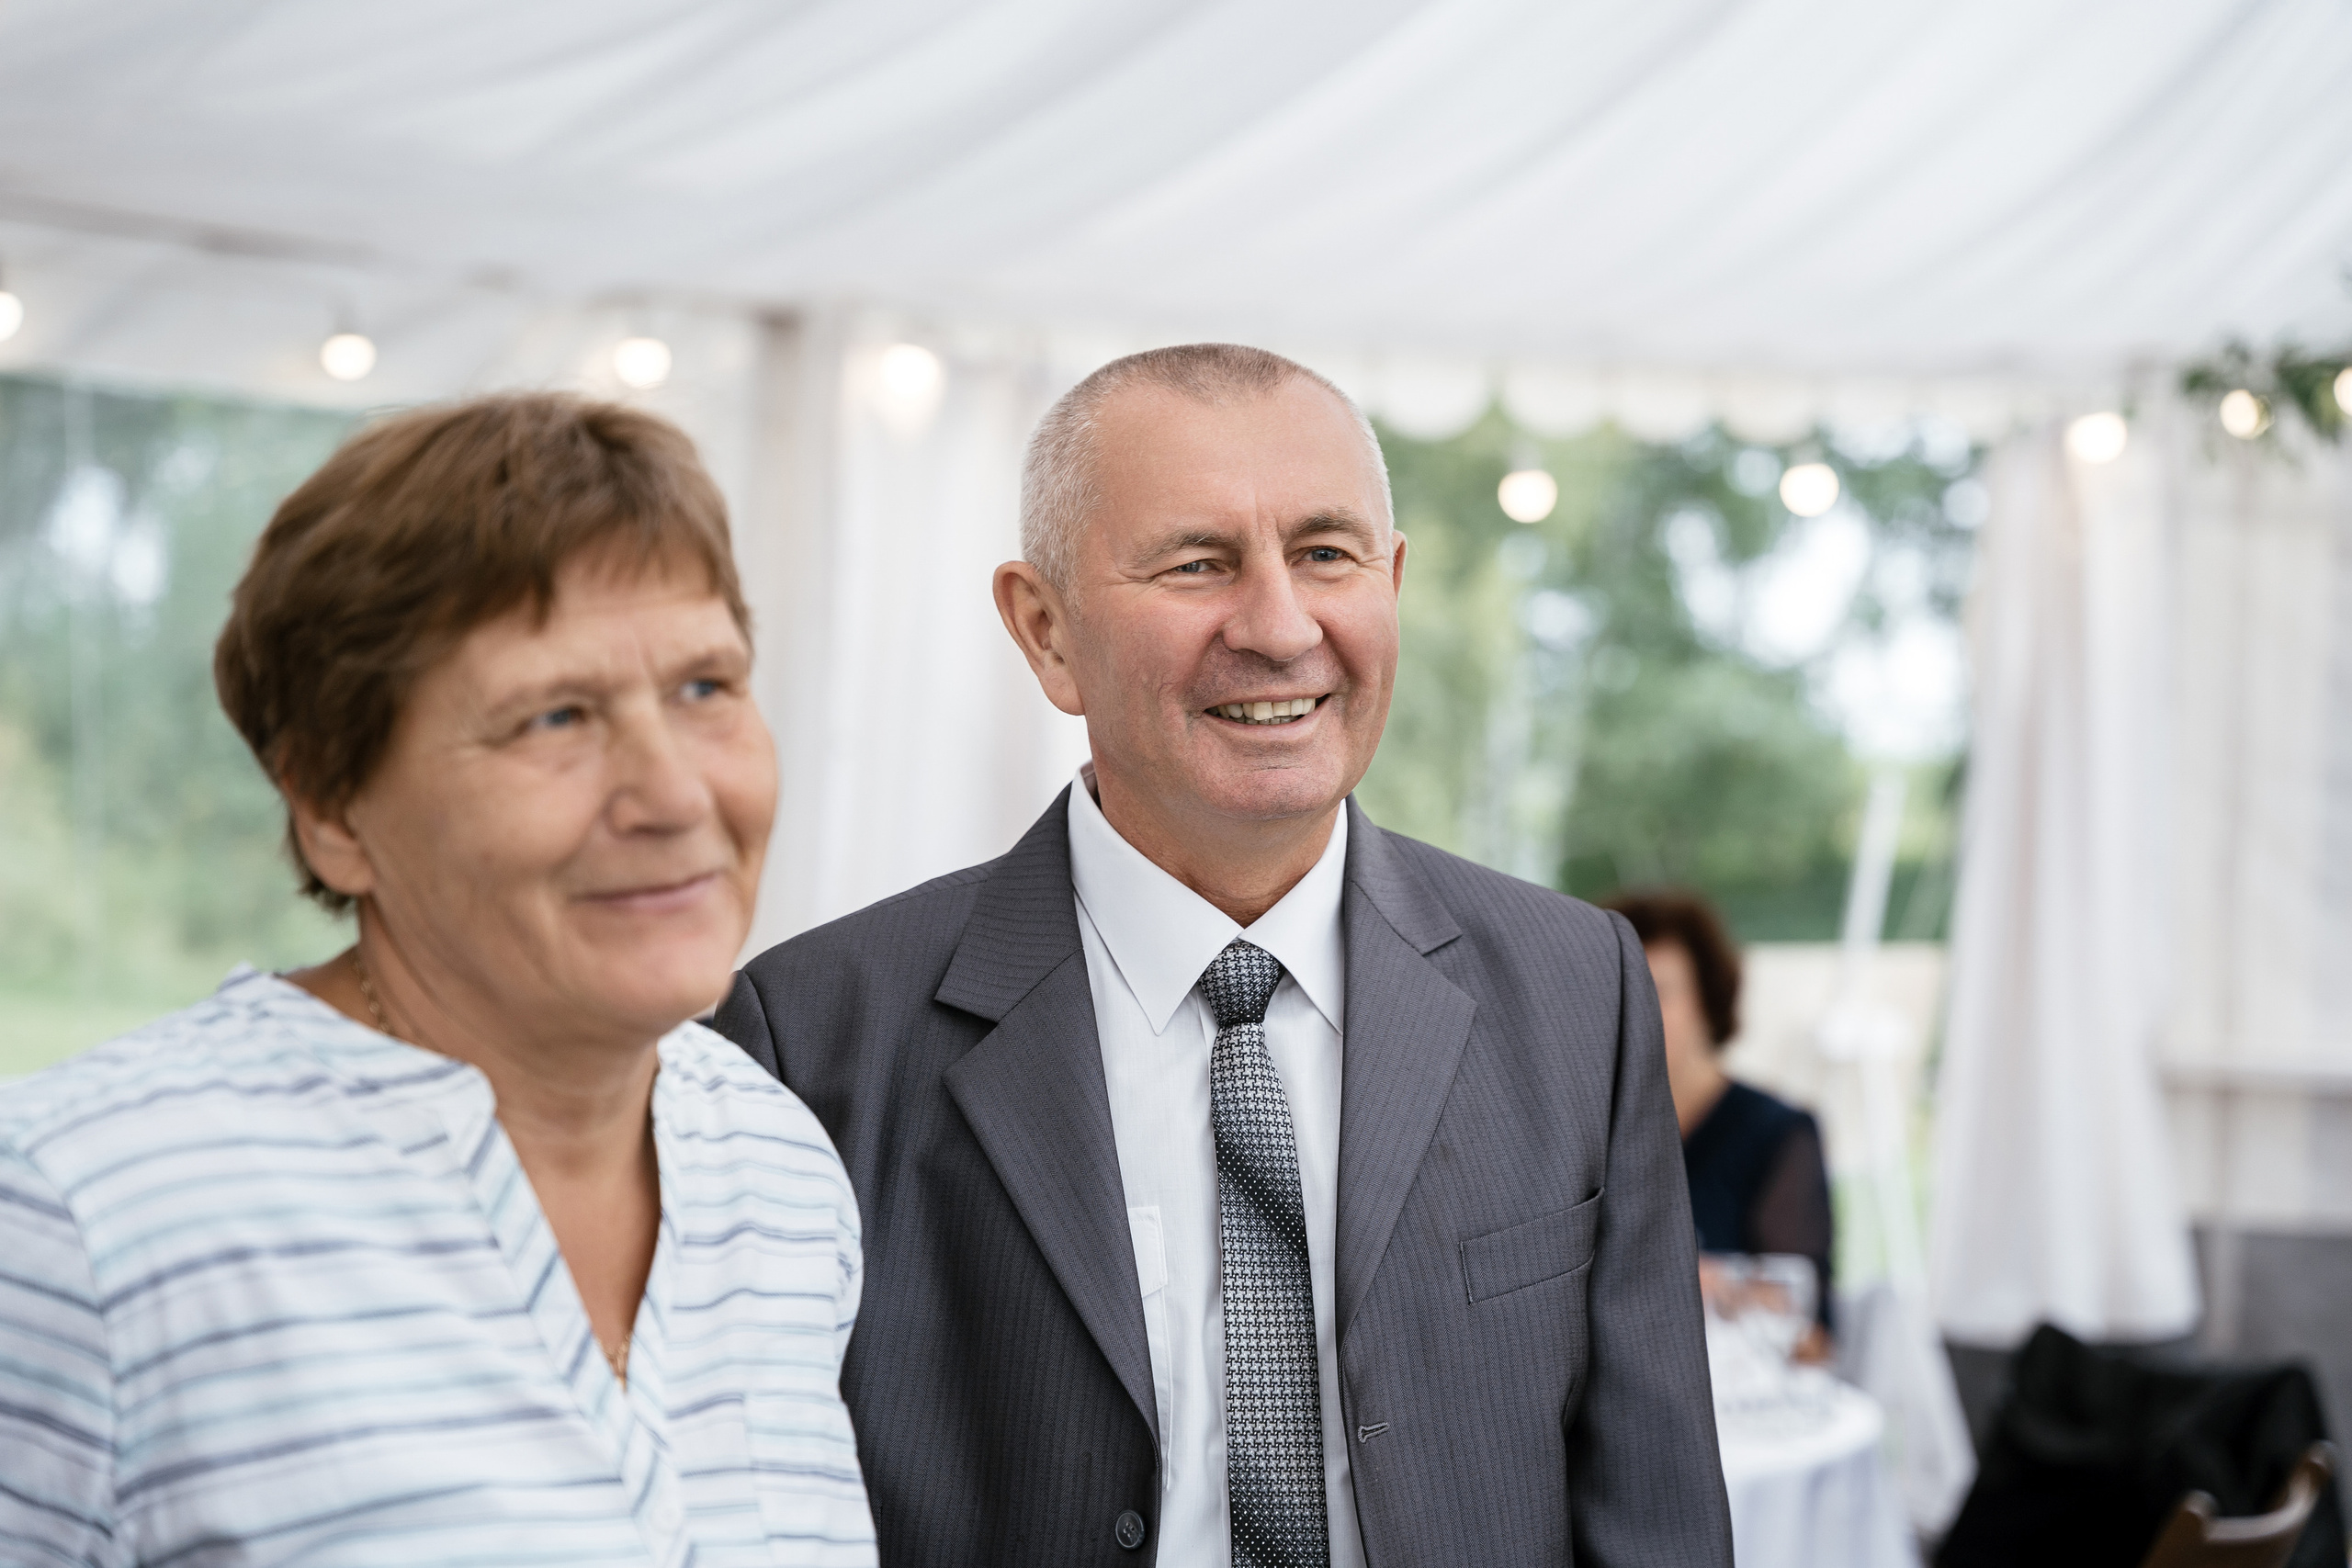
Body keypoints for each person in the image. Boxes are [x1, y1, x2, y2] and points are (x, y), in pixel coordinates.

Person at [717, 344, 1731, 1565]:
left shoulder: (1579, 987)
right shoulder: (815, 1035)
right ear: (1046, 631)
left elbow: (1658, 1512)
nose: (1279, 624)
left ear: (1391, 581)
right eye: (1198, 562)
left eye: (1326, 553)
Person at [0, 394, 876, 1566]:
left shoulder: (779, 1171)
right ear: (331, 807)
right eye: (553, 716)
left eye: (704, 689)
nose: (672, 796)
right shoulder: (76, 1208)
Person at [1601, 888, 1835, 1343]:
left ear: (1707, 1001)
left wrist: (1711, 1284)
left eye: (1659, 993)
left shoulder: (1777, 1134)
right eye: (1615, 993)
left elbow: (1813, 1332)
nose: (1633, 1014)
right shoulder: (1589, 1130)